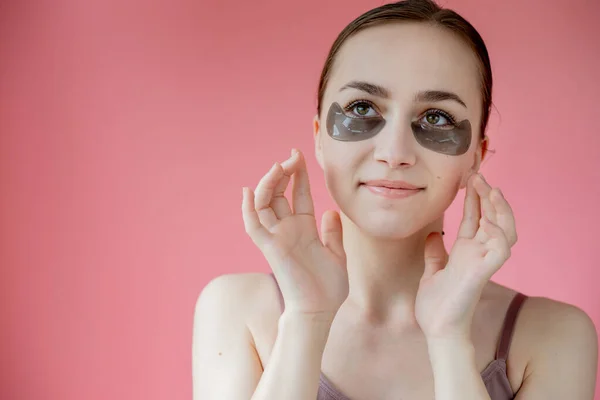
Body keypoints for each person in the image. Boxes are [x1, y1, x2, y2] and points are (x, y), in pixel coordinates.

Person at [192, 0, 598, 399]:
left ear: (476, 153)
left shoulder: (553, 335)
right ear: (318, 135)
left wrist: (449, 340)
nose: (394, 151)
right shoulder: (235, 311)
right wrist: (306, 320)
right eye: (362, 107)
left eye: (436, 117)